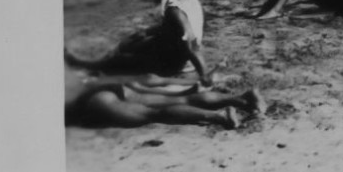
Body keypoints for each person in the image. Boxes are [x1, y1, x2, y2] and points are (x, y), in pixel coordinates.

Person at [65, 0, 213, 85]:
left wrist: (204, 74)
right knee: (135, 42)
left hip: (170, 65)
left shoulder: (174, 10)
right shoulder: (192, 5)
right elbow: (177, 31)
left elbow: (191, 40)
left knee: (118, 60)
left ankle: (83, 65)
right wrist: (148, 32)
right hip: (181, 60)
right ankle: (103, 62)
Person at [66, 65, 263, 130]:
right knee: (183, 100)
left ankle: (220, 116)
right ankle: (241, 99)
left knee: (153, 114)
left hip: (93, 99)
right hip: (108, 84)